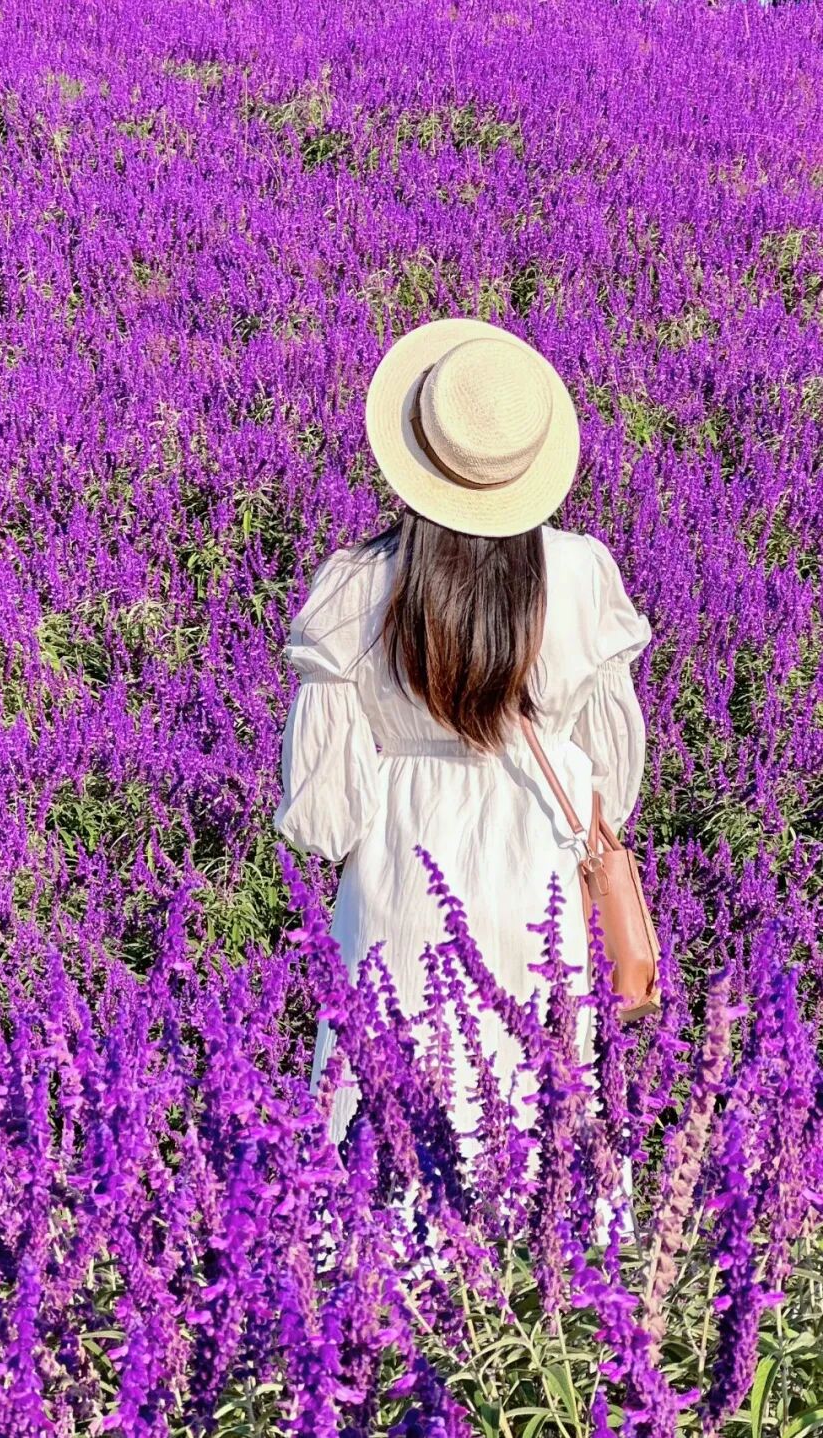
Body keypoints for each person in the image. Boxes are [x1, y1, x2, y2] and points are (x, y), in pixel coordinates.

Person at [272, 317, 652, 1220]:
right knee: (546, 1127)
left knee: (383, 1149)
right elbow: (615, 786)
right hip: (539, 895)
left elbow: (323, 820)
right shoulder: (582, 580)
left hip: (399, 894)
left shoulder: (355, 590)